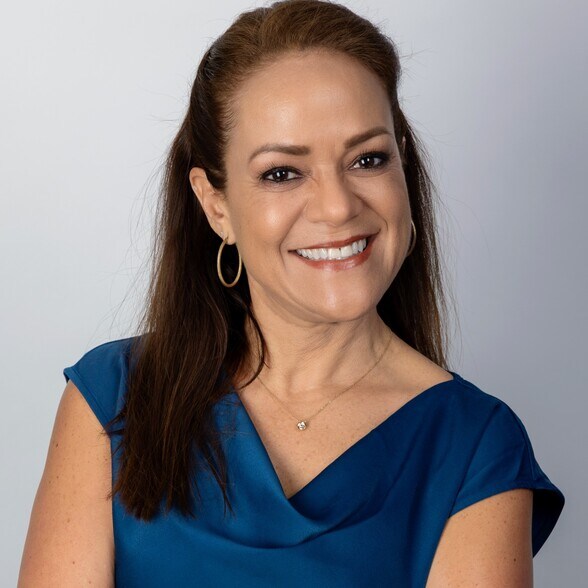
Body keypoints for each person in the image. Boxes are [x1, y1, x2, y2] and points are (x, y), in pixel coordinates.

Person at [19, 0, 565, 585]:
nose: (338, 207)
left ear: (402, 167)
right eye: (282, 172)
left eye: (368, 159)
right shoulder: (113, 397)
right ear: (216, 205)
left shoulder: (475, 448)